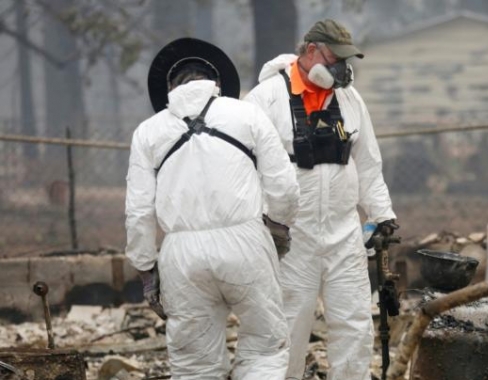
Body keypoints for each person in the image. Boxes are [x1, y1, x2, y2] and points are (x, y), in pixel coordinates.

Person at [125, 37, 300, 379]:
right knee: (265, 349)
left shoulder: (147, 132)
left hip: (182, 255)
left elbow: (138, 211)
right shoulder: (247, 113)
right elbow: (283, 184)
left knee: (194, 365)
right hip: (246, 241)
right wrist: (278, 228)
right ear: (217, 83)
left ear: (169, 88)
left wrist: (146, 268)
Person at [244, 19, 398, 380]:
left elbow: (368, 163)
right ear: (310, 51)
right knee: (288, 327)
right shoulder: (265, 100)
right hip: (290, 238)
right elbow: (245, 171)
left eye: (345, 60)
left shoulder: (349, 99)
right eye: (334, 58)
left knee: (354, 325)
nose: (340, 69)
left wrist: (382, 214)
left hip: (344, 234)